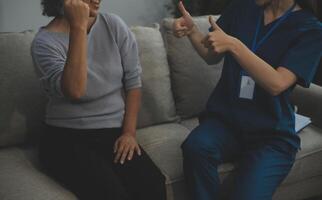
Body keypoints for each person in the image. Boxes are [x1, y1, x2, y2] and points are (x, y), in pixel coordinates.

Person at [173, 0, 322, 199]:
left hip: (271, 135)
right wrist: (192, 31)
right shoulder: (242, 7)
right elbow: (211, 55)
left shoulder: (310, 29)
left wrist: (234, 45)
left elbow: (277, 84)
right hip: (227, 123)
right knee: (195, 148)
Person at [31, 0, 166, 199]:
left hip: (111, 132)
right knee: (112, 194)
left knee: (153, 184)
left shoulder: (113, 25)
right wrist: (78, 27)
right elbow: (75, 90)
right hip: (65, 139)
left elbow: (133, 83)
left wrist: (129, 133)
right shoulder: (44, 43)